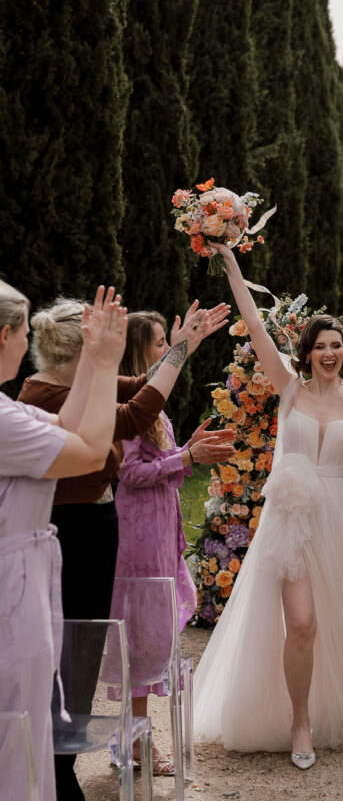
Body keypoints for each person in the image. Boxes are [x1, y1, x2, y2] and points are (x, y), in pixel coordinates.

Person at [193, 243, 343, 768]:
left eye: (336, 344)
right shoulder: (289, 390)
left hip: (342, 512)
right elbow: (254, 328)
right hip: (292, 520)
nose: (329, 352)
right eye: (320, 345)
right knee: (301, 624)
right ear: (306, 352)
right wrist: (231, 266)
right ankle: (300, 720)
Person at [19, 294, 229, 799]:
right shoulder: (42, 396)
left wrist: (181, 348)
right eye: (105, 346)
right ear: (83, 350)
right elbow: (136, 414)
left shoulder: (80, 382)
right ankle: (55, 768)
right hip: (66, 531)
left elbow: (139, 391)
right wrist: (175, 353)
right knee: (63, 652)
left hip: (96, 526)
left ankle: (61, 763)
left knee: (82, 652)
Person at [0, 282, 126, 801]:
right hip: (10, 583)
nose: (28, 343)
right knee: (17, 719)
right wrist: (107, 360)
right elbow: (91, 452)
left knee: (27, 714)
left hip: (25, 571)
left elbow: (69, 427)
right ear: (2, 335)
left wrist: (95, 361)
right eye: (24, 333)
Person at [109, 311, 236, 775]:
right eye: (159, 344)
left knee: (154, 637)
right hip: (138, 538)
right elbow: (129, 473)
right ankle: (138, 742)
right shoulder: (128, 407)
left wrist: (190, 448)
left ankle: (135, 738)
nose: (166, 351)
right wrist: (185, 456)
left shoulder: (154, 406)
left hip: (160, 531)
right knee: (141, 640)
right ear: (137, 352)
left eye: (169, 343)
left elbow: (161, 459)